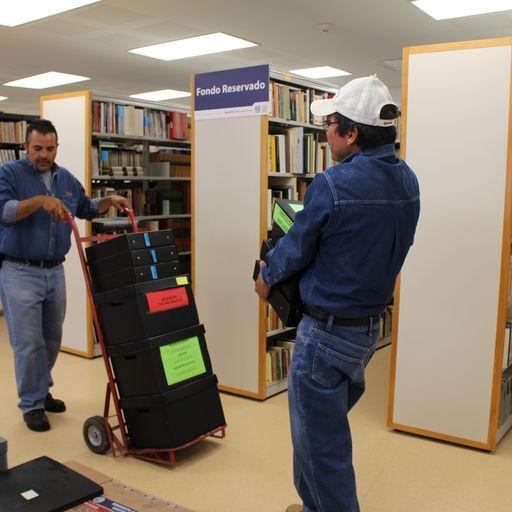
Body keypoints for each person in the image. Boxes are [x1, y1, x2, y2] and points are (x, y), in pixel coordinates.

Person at [255, 76, 420, 512]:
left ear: (352, 134)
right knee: (315, 435)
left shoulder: (332, 185)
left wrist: (267, 274)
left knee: (323, 450)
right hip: (365, 330)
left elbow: (295, 249)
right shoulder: (408, 182)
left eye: (330, 125)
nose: (324, 134)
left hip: (325, 334)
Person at [0, 119, 129, 432]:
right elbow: (4, 212)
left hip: (55, 270)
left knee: (52, 338)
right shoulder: (9, 174)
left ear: (56, 148)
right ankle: (31, 403)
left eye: (50, 148)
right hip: (19, 270)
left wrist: (107, 201)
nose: (44, 154)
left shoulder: (66, 178)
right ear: (25, 147)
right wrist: (40, 202)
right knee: (28, 343)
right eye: (37, 148)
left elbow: (84, 207)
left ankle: (41, 390)